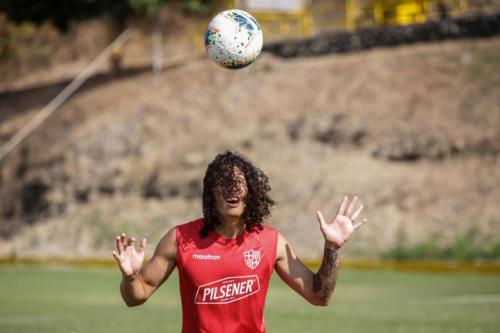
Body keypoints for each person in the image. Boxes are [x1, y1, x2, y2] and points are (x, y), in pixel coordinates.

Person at [113, 151, 367, 333]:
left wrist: (331, 248)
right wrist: (131, 276)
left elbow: (319, 296)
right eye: (223, 183)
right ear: (211, 192)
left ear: (250, 191)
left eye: (238, 183)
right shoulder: (180, 239)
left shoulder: (271, 241)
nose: (232, 190)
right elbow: (135, 297)